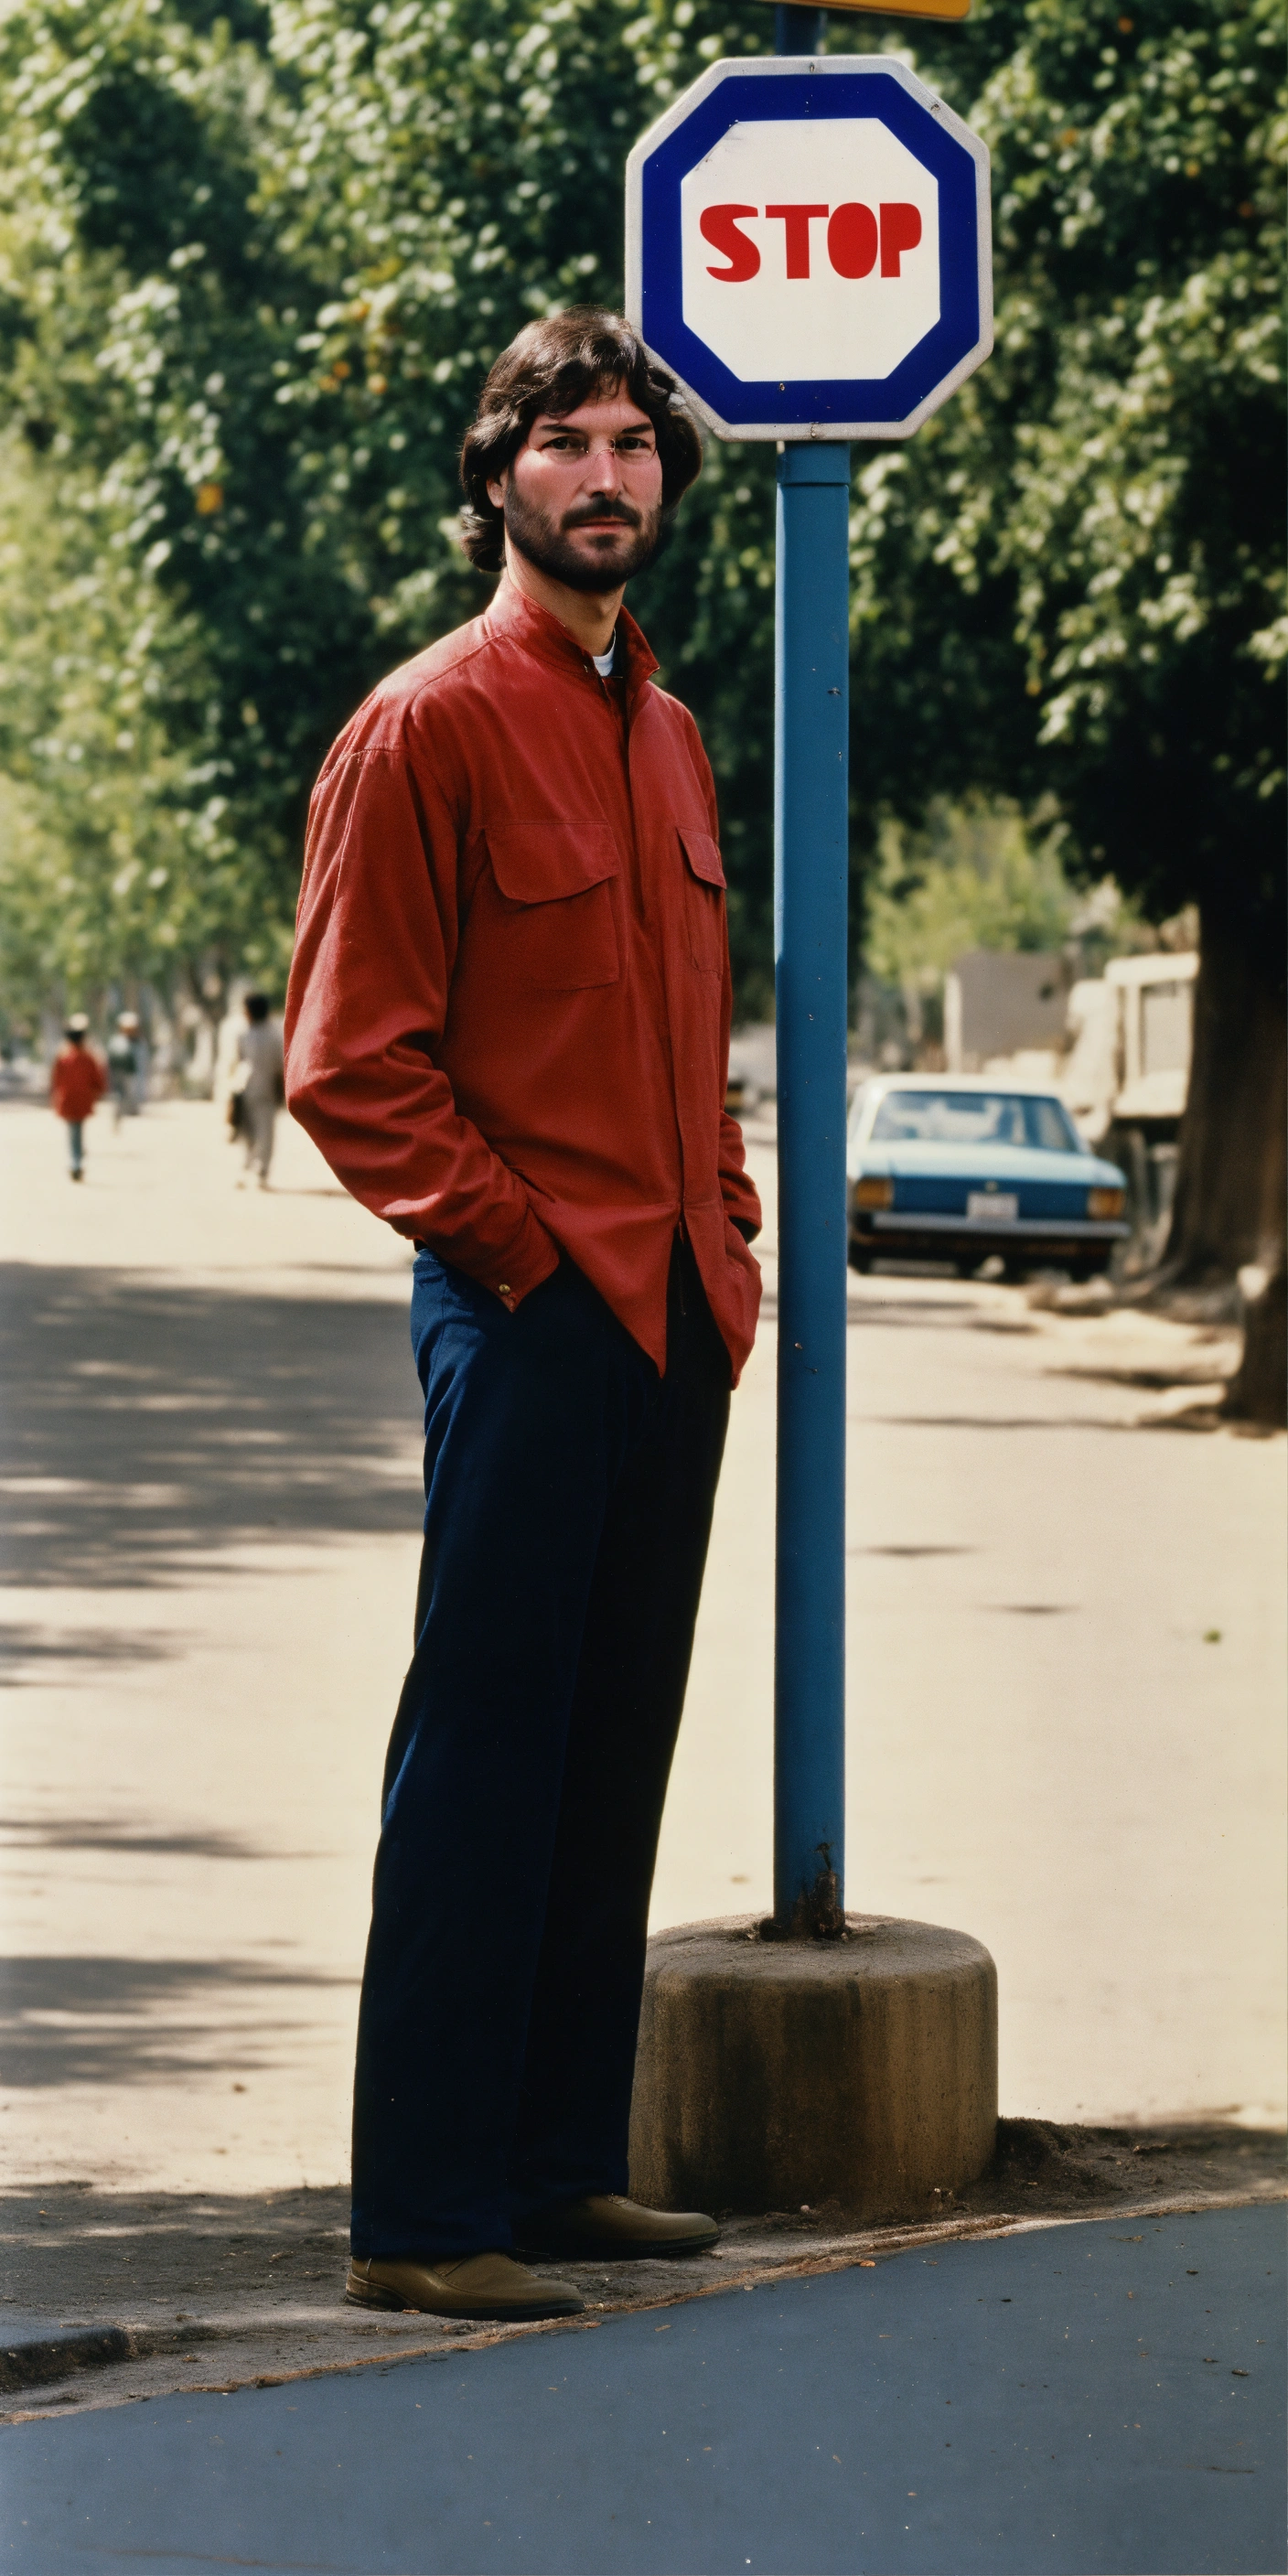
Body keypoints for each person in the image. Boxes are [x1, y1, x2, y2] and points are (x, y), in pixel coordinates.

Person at [286, 307, 762, 2327]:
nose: (606, 473)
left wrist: (721, 1238)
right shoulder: (425, 724)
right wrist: (520, 1250)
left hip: (671, 1313)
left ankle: (561, 2166)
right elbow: (348, 1057)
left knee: (607, 1740)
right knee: (483, 1749)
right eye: (563, 439)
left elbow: (684, 1036)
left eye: (634, 443)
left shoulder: (661, 732)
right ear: (495, 477)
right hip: (528, 1299)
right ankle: (421, 2208)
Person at [233, 992, 284, 1187]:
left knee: (250, 1133)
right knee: (263, 1133)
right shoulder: (273, 1035)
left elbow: (239, 1062)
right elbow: (280, 1067)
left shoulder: (245, 1035)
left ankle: (250, 1170)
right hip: (263, 1091)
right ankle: (259, 1171)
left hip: (249, 1088)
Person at [49, 1014, 107, 1181]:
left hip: (67, 1099)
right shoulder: (88, 1058)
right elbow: (97, 1079)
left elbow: (55, 1080)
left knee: (73, 1130)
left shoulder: (62, 1057)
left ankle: (75, 1159)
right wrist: (99, 1092)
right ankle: (77, 1160)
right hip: (83, 1099)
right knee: (78, 1129)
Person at [106, 1011, 142, 1124]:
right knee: (121, 1093)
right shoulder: (118, 1042)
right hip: (121, 1072)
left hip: (126, 1073)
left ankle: (129, 1109)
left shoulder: (135, 1043)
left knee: (125, 1093)